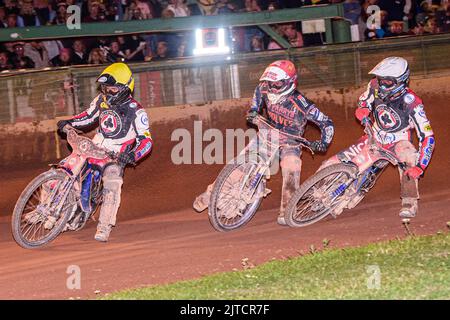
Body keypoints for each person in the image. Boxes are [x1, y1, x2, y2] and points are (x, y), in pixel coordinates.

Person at [193, 60, 335, 225]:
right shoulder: (263, 89)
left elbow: (327, 123)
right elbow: (255, 106)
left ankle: (287, 210)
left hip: (291, 142)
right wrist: (253, 112)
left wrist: (323, 143)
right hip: (267, 135)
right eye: (270, 82)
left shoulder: (302, 105)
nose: (273, 87)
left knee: (291, 167)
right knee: (239, 166)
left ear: (290, 82)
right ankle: (211, 194)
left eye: (277, 83)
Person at [321, 57, 435, 218]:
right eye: (380, 79)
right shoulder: (374, 85)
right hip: (373, 134)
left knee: (409, 157)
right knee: (334, 162)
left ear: (400, 81)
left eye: (387, 82)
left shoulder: (413, 103)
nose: (381, 84)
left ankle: (409, 202)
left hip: (398, 141)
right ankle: (320, 189)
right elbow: (364, 101)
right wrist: (363, 109)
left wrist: (421, 166)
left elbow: (427, 136)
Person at [56, 62, 153, 242]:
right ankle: (46, 211)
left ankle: (105, 225)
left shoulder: (137, 111)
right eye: (105, 88)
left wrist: (133, 155)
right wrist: (68, 122)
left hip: (115, 154)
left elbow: (146, 141)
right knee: (63, 168)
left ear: (125, 89)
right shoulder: (101, 100)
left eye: (113, 89)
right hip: (94, 146)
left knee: (112, 181)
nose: (108, 92)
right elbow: (87, 116)